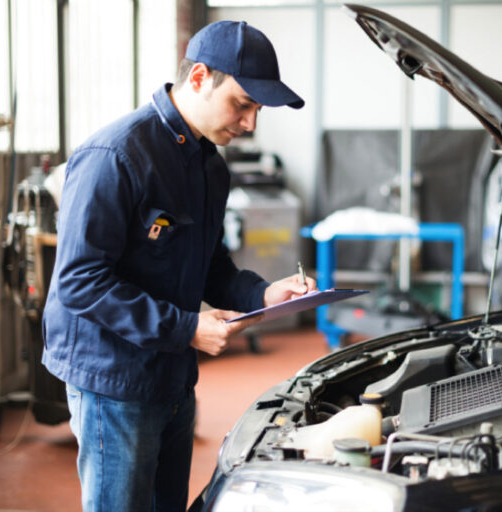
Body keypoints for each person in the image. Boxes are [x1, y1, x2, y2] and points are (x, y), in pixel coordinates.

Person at [41, 20, 313, 512]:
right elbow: (80, 282)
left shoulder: (210, 166)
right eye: (243, 103)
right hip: (113, 380)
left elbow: (210, 266)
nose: (251, 123)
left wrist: (264, 294)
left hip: (172, 376)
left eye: (258, 110)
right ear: (199, 77)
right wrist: (186, 328)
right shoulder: (115, 155)